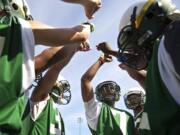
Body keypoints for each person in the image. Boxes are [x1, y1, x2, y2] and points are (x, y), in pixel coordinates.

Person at [97, 0, 180, 134]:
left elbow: (138, 71)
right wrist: (112, 52)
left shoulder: (172, 36)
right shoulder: (159, 58)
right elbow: (135, 62)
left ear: (149, 19)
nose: (135, 47)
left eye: (132, 36)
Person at [81, 54, 135, 135]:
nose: (108, 90)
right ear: (98, 94)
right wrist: (100, 61)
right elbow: (85, 80)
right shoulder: (95, 109)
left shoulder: (128, 115)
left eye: (112, 88)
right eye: (104, 89)